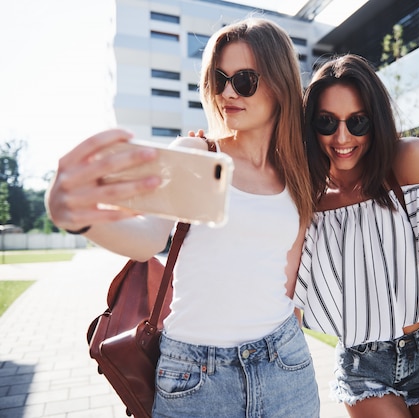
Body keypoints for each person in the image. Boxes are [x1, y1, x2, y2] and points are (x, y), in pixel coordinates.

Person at [45, 18, 320, 418]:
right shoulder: (199, 154)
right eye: (220, 78)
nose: (228, 92)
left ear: (279, 83)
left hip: (284, 365)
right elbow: (147, 237)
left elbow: (289, 277)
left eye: (244, 80)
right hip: (195, 376)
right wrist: (78, 217)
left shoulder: (295, 171)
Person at [294, 54, 419, 418]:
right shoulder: (306, 197)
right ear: (311, 125)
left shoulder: (409, 160)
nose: (343, 137)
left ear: (376, 121)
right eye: (327, 122)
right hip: (362, 364)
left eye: (358, 122)